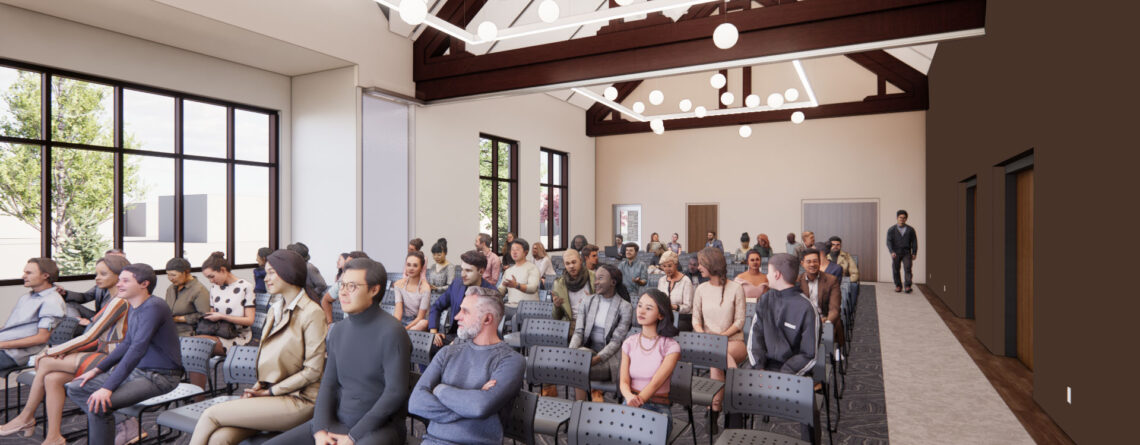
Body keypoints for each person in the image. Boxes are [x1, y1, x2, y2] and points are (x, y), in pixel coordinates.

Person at [265, 258, 409, 445]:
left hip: (378, 428)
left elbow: (395, 393)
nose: (342, 292)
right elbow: (329, 384)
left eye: (352, 286)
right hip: (337, 422)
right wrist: (320, 429)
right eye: (342, 284)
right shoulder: (339, 330)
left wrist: (353, 436)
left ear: (374, 290)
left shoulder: (393, 332)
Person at [190, 250, 329, 445]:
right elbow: (268, 361)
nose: (267, 278)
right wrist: (258, 388)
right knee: (219, 438)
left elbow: (313, 371)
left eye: (272, 272)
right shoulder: (275, 309)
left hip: (299, 400)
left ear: (289, 273)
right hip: (273, 394)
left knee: (210, 414)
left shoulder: (312, 313)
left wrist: (270, 392)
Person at [1, 256, 131, 444]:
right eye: (97, 273)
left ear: (120, 276)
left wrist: (52, 351)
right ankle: (54, 436)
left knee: (46, 361)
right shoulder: (112, 299)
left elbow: (90, 336)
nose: (97, 278)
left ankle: (26, 417)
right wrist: (63, 351)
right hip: (103, 352)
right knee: (51, 378)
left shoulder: (119, 301)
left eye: (103, 274)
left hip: (114, 358)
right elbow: (95, 337)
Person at [66, 263, 183, 445]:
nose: (119, 284)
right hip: (139, 372)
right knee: (76, 388)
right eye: (119, 280)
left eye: (125, 281)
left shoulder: (154, 306)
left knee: (99, 405)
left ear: (144, 284)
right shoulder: (134, 306)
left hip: (160, 377)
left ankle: (117, 432)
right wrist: (96, 370)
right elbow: (127, 343)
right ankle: (122, 426)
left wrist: (107, 388)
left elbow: (137, 348)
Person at [408, 286, 525, 445]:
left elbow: (479, 407)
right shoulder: (447, 352)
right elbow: (416, 403)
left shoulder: (511, 360)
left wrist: (439, 389)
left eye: (465, 311)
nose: (456, 317)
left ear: (487, 319)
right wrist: (469, 401)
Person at [747, 253, 819, 444]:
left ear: (777, 274)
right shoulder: (765, 300)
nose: (766, 275)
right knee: (735, 389)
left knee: (809, 406)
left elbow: (810, 355)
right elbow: (755, 339)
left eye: (768, 271)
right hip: (764, 366)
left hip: (794, 371)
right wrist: (759, 368)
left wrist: (785, 374)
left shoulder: (806, 308)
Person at [691, 247, 745, 422]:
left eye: (701, 264)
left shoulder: (736, 288)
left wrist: (721, 336)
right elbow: (696, 320)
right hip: (709, 341)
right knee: (717, 356)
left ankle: (713, 409)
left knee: (717, 357)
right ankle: (736, 403)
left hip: (733, 340)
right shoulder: (700, 289)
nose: (698, 267)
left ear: (711, 265)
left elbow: (739, 322)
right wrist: (706, 336)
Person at [189, 252, 255, 393]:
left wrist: (222, 316)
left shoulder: (245, 287)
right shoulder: (214, 289)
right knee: (194, 349)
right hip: (219, 333)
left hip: (239, 336)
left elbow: (250, 320)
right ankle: (197, 395)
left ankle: (197, 395)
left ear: (223, 270)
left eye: (212, 276)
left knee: (195, 346)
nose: (211, 281)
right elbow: (214, 317)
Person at [619, 289, 681, 437]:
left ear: (660, 314)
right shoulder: (629, 342)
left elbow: (655, 384)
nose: (641, 311)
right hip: (629, 401)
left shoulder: (671, 347)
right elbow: (624, 381)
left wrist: (637, 401)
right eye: (639, 306)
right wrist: (629, 397)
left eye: (648, 308)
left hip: (657, 407)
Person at [568, 264, 633, 402]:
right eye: (595, 278)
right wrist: (571, 352)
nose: (595, 282)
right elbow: (578, 331)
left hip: (610, 359)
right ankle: (584, 407)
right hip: (586, 354)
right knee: (579, 360)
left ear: (613, 282)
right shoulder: (588, 301)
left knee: (578, 369)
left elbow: (616, 342)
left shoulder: (625, 307)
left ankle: (580, 408)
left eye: (600, 278)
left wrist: (595, 360)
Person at [1, 258, 69, 374]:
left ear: (45, 275)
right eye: (24, 272)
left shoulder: (51, 301)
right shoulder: (27, 297)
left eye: (29, 273)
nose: (23, 276)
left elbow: (41, 338)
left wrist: (1, 344)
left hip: (13, 354)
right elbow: (14, 328)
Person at [428, 251, 498, 347]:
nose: (462, 274)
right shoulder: (457, 284)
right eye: (462, 269)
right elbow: (436, 306)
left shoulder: (491, 293)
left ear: (481, 271)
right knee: (429, 346)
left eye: (468, 271)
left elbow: (487, 329)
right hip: (454, 335)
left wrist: (459, 342)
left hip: (477, 340)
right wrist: (433, 332)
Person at [55, 249, 125, 321]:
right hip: (97, 317)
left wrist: (91, 321)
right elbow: (85, 297)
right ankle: (75, 323)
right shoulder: (101, 284)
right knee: (69, 304)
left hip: (110, 321)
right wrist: (65, 293)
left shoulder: (127, 289)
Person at [799, 248, 843, 347]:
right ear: (802, 263)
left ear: (819, 262)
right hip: (804, 321)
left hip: (825, 319)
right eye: (808, 262)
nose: (812, 264)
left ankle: (834, 352)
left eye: (815, 261)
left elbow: (834, 308)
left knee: (830, 328)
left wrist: (827, 322)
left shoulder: (831, 280)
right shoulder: (797, 281)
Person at [319, 251, 371, 324]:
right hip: (348, 327)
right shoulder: (341, 283)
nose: (345, 268)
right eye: (346, 265)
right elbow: (326, 300)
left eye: (350, 265)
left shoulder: (370, 286)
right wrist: (329, 323)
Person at [163, 257, 211, 337]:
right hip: (170, 332)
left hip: (188, 334)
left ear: (186, 273)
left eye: (173, 275)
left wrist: (178, 319)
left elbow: (205, 315)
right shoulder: (171, 288)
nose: (170, 278)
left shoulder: (199, 290)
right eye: (168, 274)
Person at [551, 249, 595, 327]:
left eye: (574, 262)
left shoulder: (593, 277)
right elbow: (556, 317)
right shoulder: (559, 284)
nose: (571, 266)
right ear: (564, 265)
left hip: (590, 322)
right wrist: (556, 306)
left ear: (580, 260)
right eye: (567, 264)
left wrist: (593, 301)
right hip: (570, 324)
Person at [394, 252, 432, 331]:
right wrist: (395, 328)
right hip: (403, 320)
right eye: (408, 265)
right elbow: (398, 311)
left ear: (421, 268)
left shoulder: (425, 288)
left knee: (423, 323)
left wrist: (406, 329)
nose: (411, 268)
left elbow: (420, 317)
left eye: (415, 265)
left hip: (417, 322)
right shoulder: (398, 284)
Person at [656, 251, 693, 331]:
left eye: (669, 266)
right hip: (666, 316)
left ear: (676, 265)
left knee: (673, 327)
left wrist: (673, 307)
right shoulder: (661, 280)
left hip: (682, 318)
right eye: (664, 266)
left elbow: (688, 307)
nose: (667, 269)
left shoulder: (686, 281)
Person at [499, 238, 540, 306]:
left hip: (528, 308)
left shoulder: (532, 268)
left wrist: (516, 285)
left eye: (517, 249)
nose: (514, 252)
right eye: (512, 249)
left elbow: (532, 288)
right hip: (510, 307)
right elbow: (501, 290)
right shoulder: (508, 271)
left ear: (525, 252)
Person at [887, 209, 918, 293]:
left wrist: (914, 252)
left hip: (906, 253)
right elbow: (888, 242)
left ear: (906, 219)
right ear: (897, 218)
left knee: (908, 269)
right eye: (900, 217)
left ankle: (907, 286)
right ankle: (898, 286)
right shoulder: (891, 230)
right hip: (896, 253)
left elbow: (914, 242)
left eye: (904, 218)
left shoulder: (911, 230)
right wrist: (891, 251)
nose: (902, 219)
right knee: (896, 269)